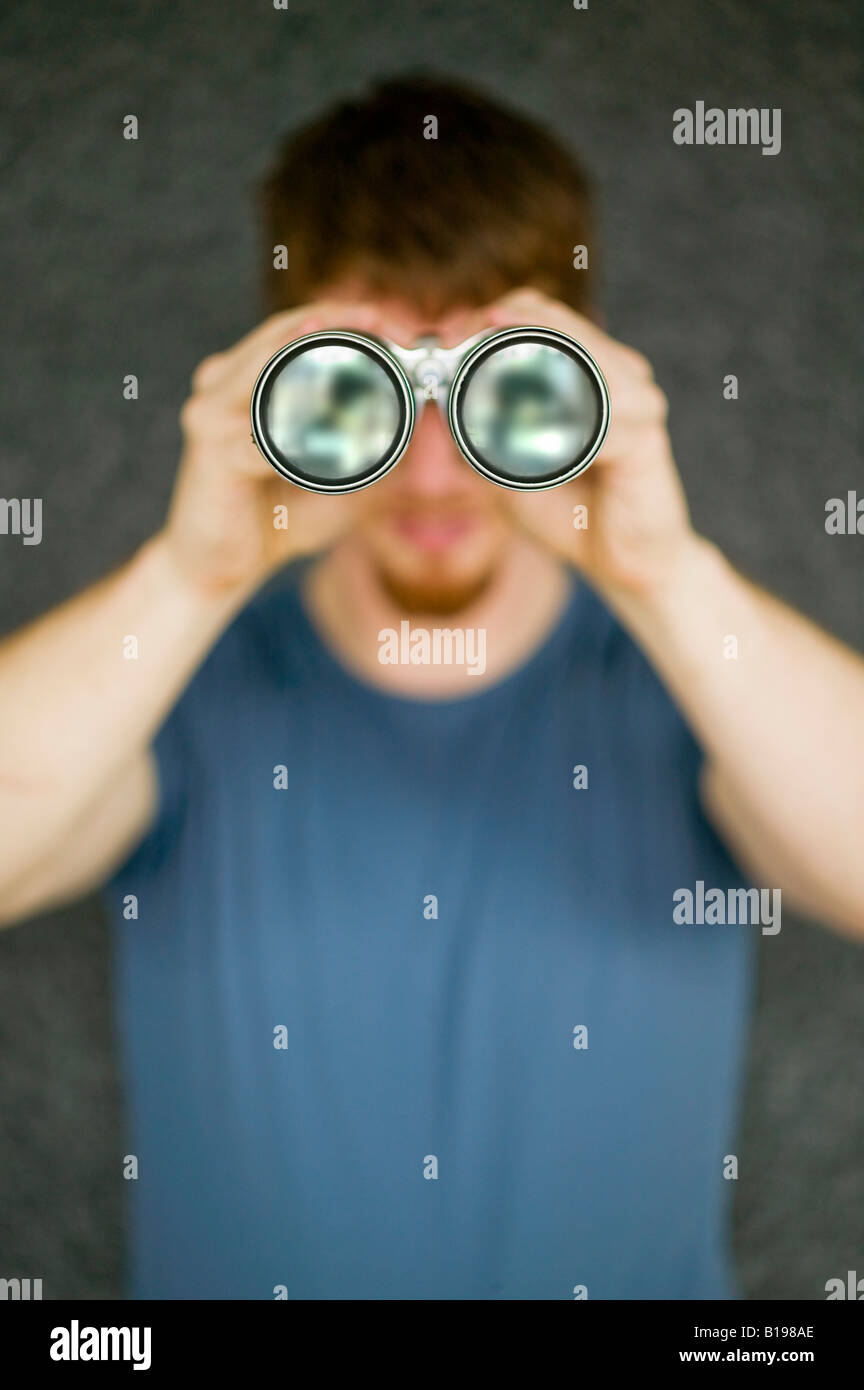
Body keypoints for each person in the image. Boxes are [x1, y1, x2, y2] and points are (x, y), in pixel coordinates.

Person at [0, 76, 862, 1301]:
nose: (435, 463)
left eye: (502, 389)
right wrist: (191, 573)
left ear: (580, 382)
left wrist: (665, 574)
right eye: (361, 389)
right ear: (276, 387)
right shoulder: (177, 689)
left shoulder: (700, 688)